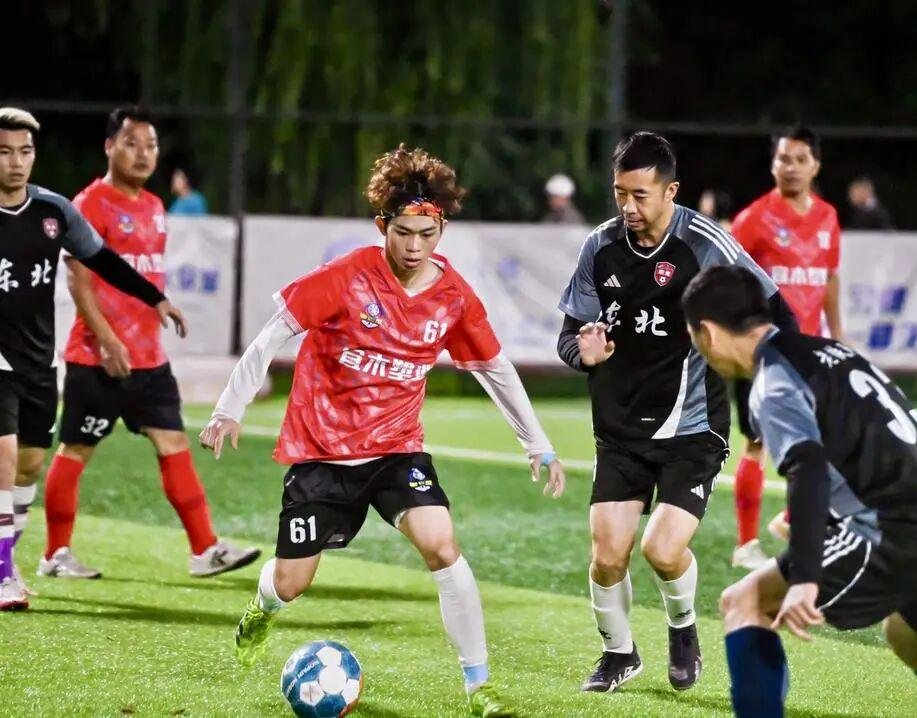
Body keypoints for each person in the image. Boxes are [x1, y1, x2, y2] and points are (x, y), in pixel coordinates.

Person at [200, 145, 566, 717]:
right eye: (403, 233)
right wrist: (229, 407)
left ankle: (479, 688)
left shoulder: (452, 298)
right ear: (382, 227)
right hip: (323, 456)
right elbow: (272, 336)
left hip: (397, 452)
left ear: (441, 230)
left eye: (427, 233)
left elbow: (494, 369)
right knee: (291, 584)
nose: (415, 246)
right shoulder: (347, 278)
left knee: (443, 546)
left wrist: (536, 443)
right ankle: (262, 608)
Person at [682, 264, 917, 718]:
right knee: (913, 641)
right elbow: (861, 447)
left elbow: (807, 468)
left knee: (744, 602)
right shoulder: (833, 352)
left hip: (898, 532)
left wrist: (806, 577)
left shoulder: (774, 381)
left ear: (707, 333)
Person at [556, 131, 797, 693]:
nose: (628, 206)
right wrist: (580, 352)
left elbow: (775, 309)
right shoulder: (599, 247)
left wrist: (787, 376)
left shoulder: (706, 244)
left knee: (662, 550)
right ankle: (619, 654)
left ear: (671, 191)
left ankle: (683, 630)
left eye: (640, 195)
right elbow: (569, 335)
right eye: (620, 193)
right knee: (606, 555)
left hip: (692, 427)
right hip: (619, 428)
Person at [38, 106, 259, 581]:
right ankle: (55, 554)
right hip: (98, 358)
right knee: (75, 449)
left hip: (149, 360)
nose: (143, 154)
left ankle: (204, 550)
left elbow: (141, 274)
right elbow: (78, 279)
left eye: (151, 145)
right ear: (109, 147)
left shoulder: (156, 206)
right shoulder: (90, 203)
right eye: (131, 143)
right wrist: (106, 339)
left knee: (173, 441)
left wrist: (158, 305)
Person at [0, 107, 187, 610]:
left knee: (30, 464)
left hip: (36, 359)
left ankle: (9, 562)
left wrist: (155, 298)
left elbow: (103, 260)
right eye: (4, 152)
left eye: (24, 151)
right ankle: (1, 572)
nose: (16, 162)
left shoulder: (54, 211)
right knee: (5, 457)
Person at [728, 124, 843, 570]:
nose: (790, 167)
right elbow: (730, 281)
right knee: (758, 441)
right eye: (783, 159)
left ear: (816, 165)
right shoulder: (753, 219)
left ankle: (793, 520)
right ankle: (745, 545)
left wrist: (836, 334)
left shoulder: (828, 217)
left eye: (799, 159)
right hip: (763, 350)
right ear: (773, 164)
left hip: (808, 348)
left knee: (823, 436)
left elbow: (828, 278)